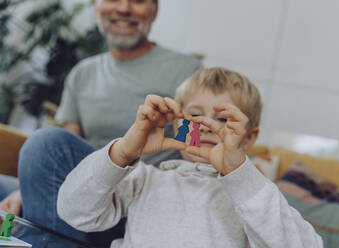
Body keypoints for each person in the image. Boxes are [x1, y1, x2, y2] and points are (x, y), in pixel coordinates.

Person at [0, 0, 200, 246]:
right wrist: (30, 187)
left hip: (135, 202)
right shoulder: (83, 73)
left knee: (45, 140)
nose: (124, 8)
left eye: (137, 0)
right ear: (96, 6)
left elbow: (197, 142)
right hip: (84, 190)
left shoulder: (187, 72)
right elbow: (66, 152)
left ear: (154, 10)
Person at [57, 67, 323, 247]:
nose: (206, 125)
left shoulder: (251, 197)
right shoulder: (145, 178)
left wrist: (240, 173)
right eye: (195, 115)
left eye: (223, 119)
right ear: (177, 125)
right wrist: (123, 152)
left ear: (249, 138)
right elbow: (75, 212)